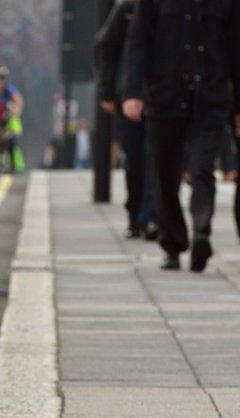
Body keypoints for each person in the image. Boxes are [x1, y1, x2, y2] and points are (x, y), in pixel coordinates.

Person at [123, 0, 240, 272]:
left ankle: (201, 232)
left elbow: (236, 49)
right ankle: (173, 244)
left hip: (209, 97)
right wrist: (132, 92)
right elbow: (138, 43)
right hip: (165, 97)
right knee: (165, 174)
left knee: (202, 168)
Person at [95, 0, 158, 240]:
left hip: (162, 96)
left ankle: (152, 217)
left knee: (158, 159)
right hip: (129, 97)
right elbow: (105, 48)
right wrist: (107, 92)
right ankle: (135, 216)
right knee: (136, 159)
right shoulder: (127, 9)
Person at [0, 66, 25, 173]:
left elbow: (18, 99)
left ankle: (13, 166)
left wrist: (15, 111)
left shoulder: (9, 89)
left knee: (11, 141)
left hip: (6, 120)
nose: (0, 80)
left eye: (3, 78)